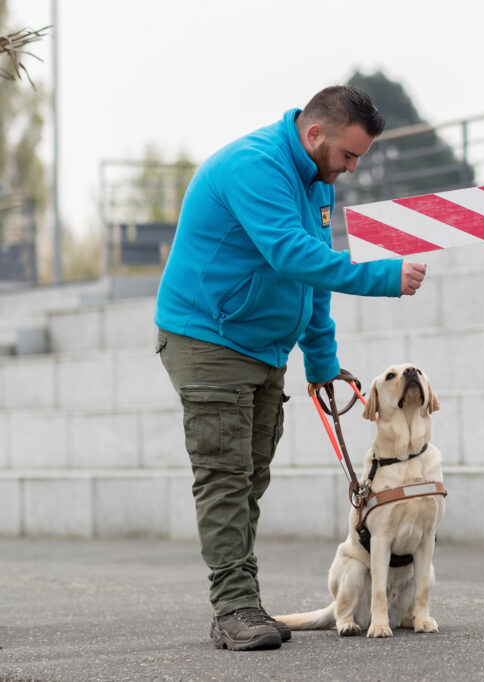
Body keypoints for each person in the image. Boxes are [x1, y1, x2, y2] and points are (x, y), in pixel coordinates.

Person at [154, 85, 426, 651]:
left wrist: (323, 362)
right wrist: (382, 277)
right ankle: (234, 609)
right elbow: (291, 255)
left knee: (250, 476)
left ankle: (240, 603)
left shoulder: (314, 183)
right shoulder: (255, 168)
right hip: (209, 336)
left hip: (263, 344)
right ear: (315, 134)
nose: (351, 169)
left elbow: (313, 277)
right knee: (226, 477)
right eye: (348, 156)